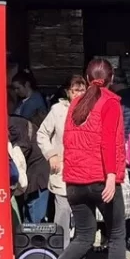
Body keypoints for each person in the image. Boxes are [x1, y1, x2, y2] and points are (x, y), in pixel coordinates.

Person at [38, 58, 130, 259]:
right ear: (111, 78)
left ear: (87, 77)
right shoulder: (111, 102)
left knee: (83, 236)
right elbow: (108, 142)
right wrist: (112, 176)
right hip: (100, 179)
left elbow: (69, 142)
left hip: (74, 182)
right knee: (116, 236)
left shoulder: (75, 105)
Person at [36, 76, 85, 232]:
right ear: (67, 92)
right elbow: (42, 134)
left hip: (85, 169)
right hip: (63, 168)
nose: (79, 94)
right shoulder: (57, 110)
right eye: (75, 90)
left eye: (82, 90)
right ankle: (61, 250)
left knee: (83, 213)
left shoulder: (92, 109)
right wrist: (51, 155)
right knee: (63, 210)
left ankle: (80, 249)